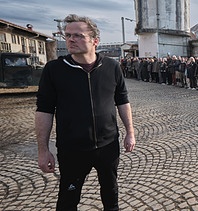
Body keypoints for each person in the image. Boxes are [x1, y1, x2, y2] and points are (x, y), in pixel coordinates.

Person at [35, 14, 136, 211]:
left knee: (111, 193)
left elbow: (122, 101)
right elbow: (44, 111)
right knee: (68, 200)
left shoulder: (112, 67)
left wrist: (130, 132)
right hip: (73, 148)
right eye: (68, 35)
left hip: (108, 146)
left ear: (95, 41)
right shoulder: (54, 69)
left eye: (79, 35)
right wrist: (43, 150)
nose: (71, 39)